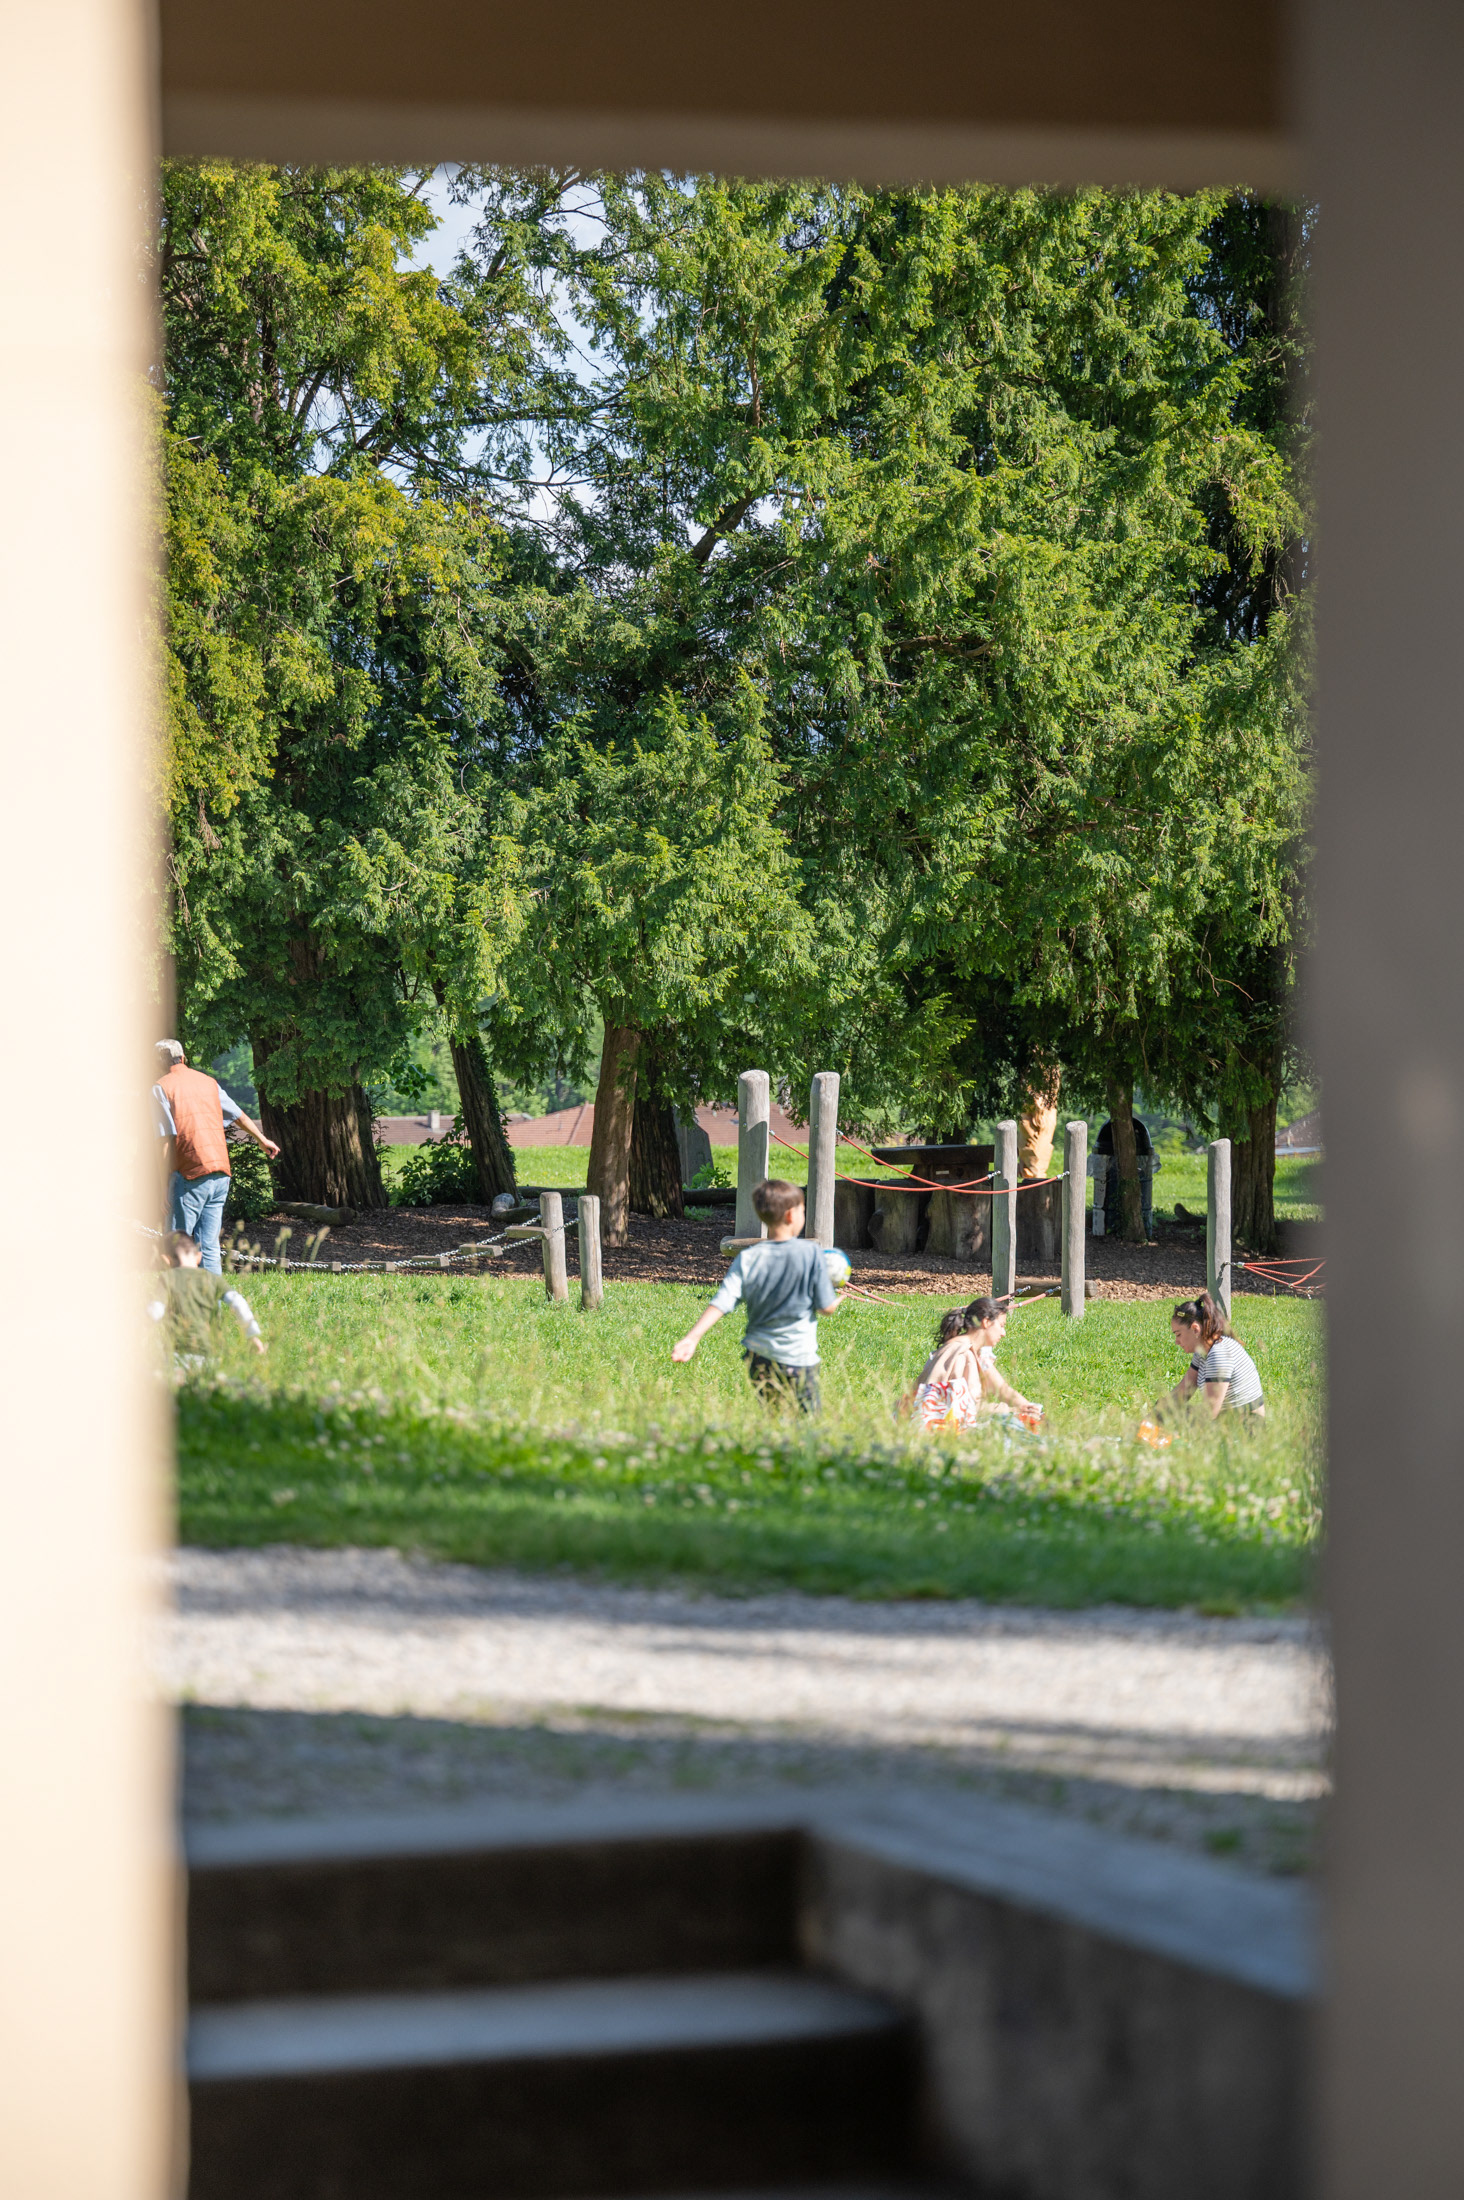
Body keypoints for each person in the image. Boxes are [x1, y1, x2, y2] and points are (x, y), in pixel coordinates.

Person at [671, 1178, 840, 1412]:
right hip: (799, 1359)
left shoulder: (749, 1257)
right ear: (791, 1215)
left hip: (759, 1358)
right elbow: (826, 1307)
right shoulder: (811, 1253)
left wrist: (693, 1337)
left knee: (773, 1416)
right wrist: (835, 1299)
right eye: (803, 1210)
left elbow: (724, 1300)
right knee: (806, 1423)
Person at [152, 1040, 280, 1275]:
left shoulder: (161, 1087)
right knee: (208, 1247)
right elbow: (238, 1114)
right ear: (184, 1058)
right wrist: (262, 1140)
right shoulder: (208, 1082)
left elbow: (164, 1140)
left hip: (189, 1174)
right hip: (221, 1172)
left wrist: (162, 1189)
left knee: (176, 1246)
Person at [909, 1295, 1042, 1432]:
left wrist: (1029, 1409)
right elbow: (963, 1409)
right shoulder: (960, 1354)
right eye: (1001, 1326)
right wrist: (1012, 1411)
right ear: (986, 1322)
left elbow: (1002, 1389)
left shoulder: (976, 1352)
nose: (1004, 1333)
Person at [147, 1231, 265, 1360]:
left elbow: (156, 1309)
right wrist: (252, 1335)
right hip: (209, 1354)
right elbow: (237, 1302)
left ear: (166, 1260)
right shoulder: (212, 1278)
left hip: (176, 1353)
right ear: (199, 1257)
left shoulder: (168, 1278)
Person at [1157, 1292, 1266, 1421]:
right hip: (1229, 1420)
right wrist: (1156, 1413)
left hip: (1246, 1427)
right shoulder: (1203, 1352)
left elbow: (1209, 1413)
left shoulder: (1219, 1354)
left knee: (1180, 1418)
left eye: (1178, 1334)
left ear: (1195, 1329)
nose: (1176, 1341)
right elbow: (1183, 1393)